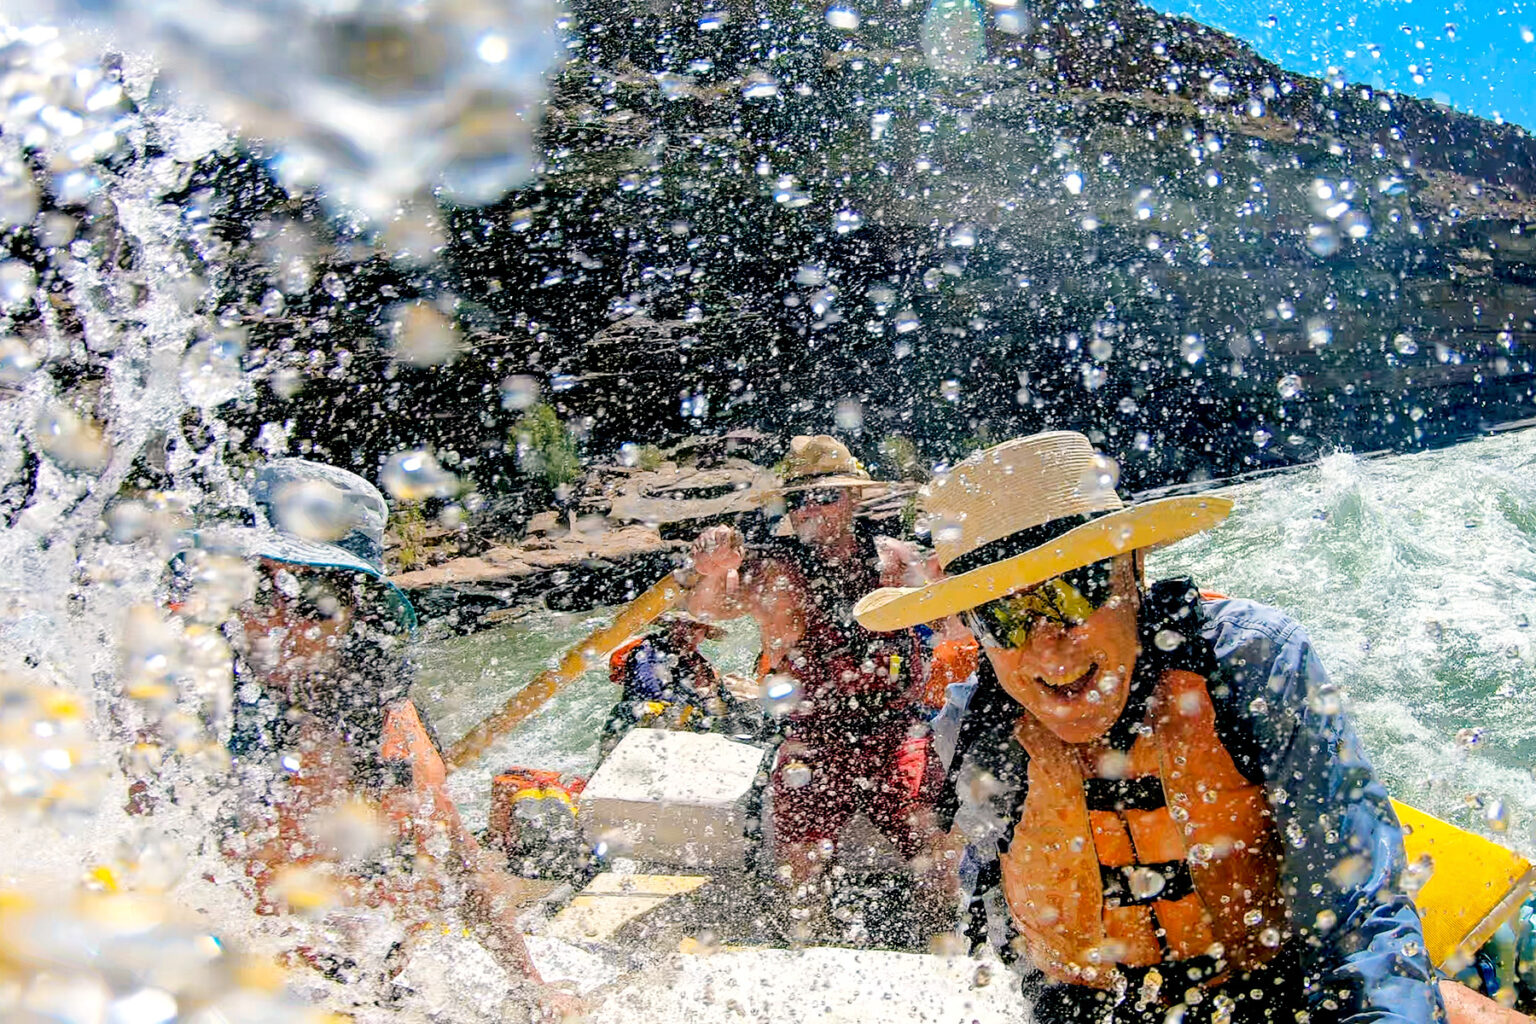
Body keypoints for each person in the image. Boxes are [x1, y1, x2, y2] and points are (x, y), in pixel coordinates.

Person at [850, 431, 1449, 1024]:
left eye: (1074, 592)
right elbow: (996, 920)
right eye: (1003, 615)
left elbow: (1358, 915)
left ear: (1133, 567)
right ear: (976, 629)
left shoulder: (1251, 665)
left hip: (1273, 993)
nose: (1048, 651)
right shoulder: (973, 729)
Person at [174, 458, 566, 1010]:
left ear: (356, 612)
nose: (276, 622)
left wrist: (531, 984)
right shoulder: (181, 695)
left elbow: (458, 858)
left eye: (310, 602)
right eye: (258, 594)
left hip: (343, 978)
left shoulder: (382, 711)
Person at [685, 434, 953, 938]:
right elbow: (708, 609)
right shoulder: (772, 569)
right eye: (798, 500)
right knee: (801, 852)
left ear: (852, 498)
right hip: (813, 734)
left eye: (824, 496)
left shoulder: (893, 557)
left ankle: (945, 938)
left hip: (894, 729)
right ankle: (808, 937)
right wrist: (714, 570)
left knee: (928, 834)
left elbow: (947, 619)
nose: (809, 510)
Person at [600, 612, 734, 756]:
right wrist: (668, 706)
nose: (692, 632)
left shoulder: (698, 663)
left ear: (704, 635)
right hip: (640, 713)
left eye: (700, 628)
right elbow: (645, 681)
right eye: (687, 626)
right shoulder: (648, 649)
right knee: (652, 711)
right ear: (673, 626)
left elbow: (714, 697)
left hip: (676, 721)